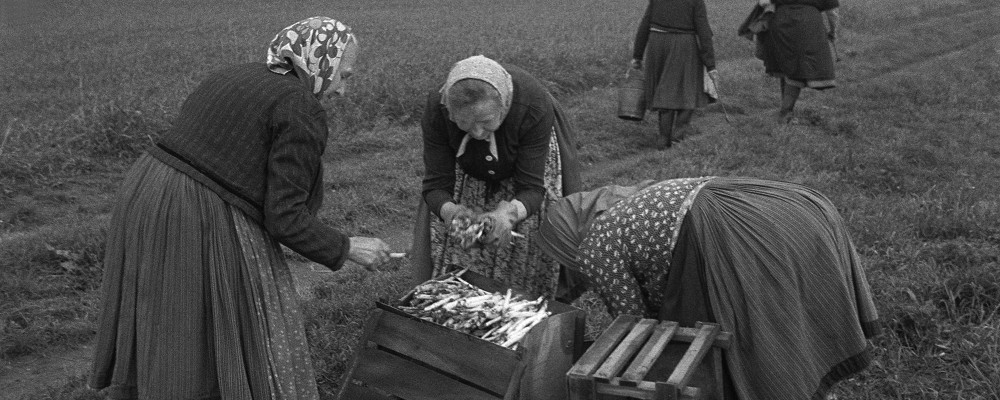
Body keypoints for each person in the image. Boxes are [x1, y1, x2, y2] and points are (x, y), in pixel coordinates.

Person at [88, 17, 392, 399]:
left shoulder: (237, 74)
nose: (343, 90)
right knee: (204, 322)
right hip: (195, 212)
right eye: (344, 75)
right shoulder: (300, 105)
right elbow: (285, 218)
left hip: (145, 191)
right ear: (321, 61)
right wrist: (348, 247)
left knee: (159, 312)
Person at [538, 177, 881, 399]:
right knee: (793, 309)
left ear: (568, 237)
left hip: (723, 232)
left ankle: (787, 386)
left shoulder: (595, 246)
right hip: (768, 202)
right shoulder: (635, 202)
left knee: (758, 334)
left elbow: (636, 325)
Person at [410, 55, 584, 301]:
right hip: (469, 165)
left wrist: (508, 213)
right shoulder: (438, 109)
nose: (478, 133)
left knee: (528, 234)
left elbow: (532, 187)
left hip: (522, 155)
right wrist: (450, 212)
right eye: (465, 125)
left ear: (503, 106)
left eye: (486, 122)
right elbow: (436, 183)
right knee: (465, 239)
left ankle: (522, 301)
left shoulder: (532, 106)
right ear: (449, 112)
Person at [631, 0, 720, 150]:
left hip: (657, 45)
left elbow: (645, 23)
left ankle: (663, 139)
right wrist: (710, 65)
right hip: (684, 45)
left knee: (664, 92)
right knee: (689, 91)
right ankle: (678, 138)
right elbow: (703, 30)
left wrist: (637, 56)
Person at [754, 0, 840, 122]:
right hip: (808, 24)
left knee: (786, 64)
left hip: (779, 22)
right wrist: (833, 32)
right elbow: (832, 12)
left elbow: (763, 2)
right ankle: (785, 112)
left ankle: (785, 110)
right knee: (796, 67)